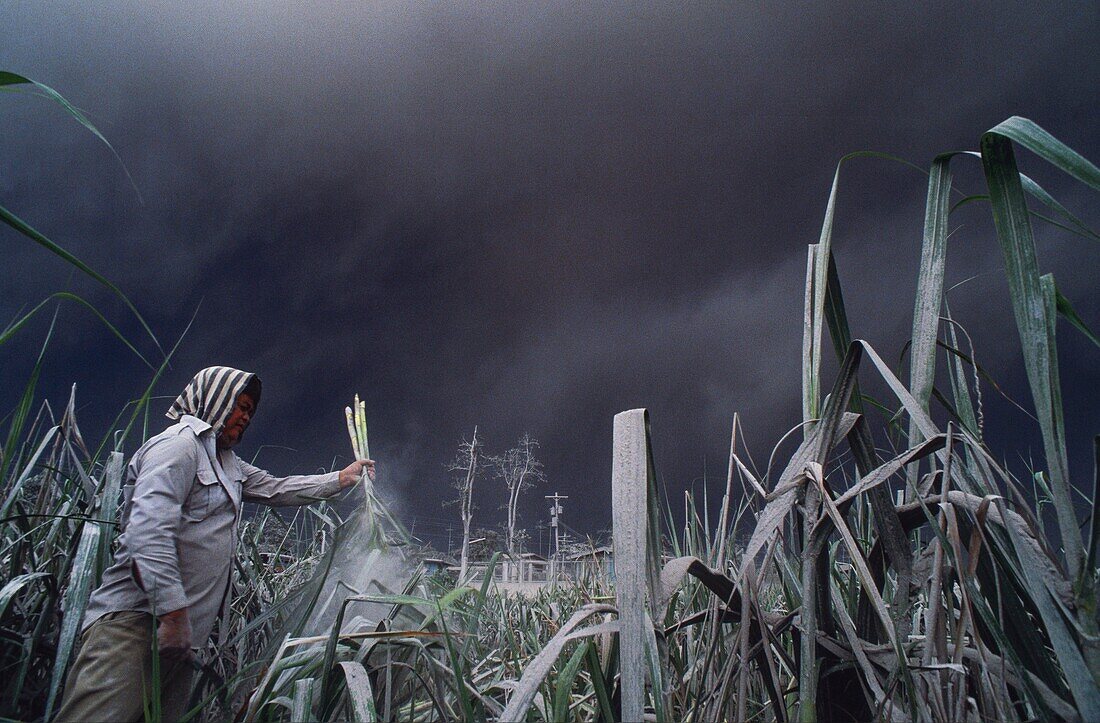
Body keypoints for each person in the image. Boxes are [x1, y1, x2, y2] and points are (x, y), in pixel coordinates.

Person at [55, 366, 373, 723]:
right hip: (137, 627)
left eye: (251, 411)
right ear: (216, 400)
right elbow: (148, 532)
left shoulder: (227, 463)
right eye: (241, 406)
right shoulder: (178, 447)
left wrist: (341, 478)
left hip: (179, 639)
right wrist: (173, 613)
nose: (246, 418)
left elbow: (276, 487)